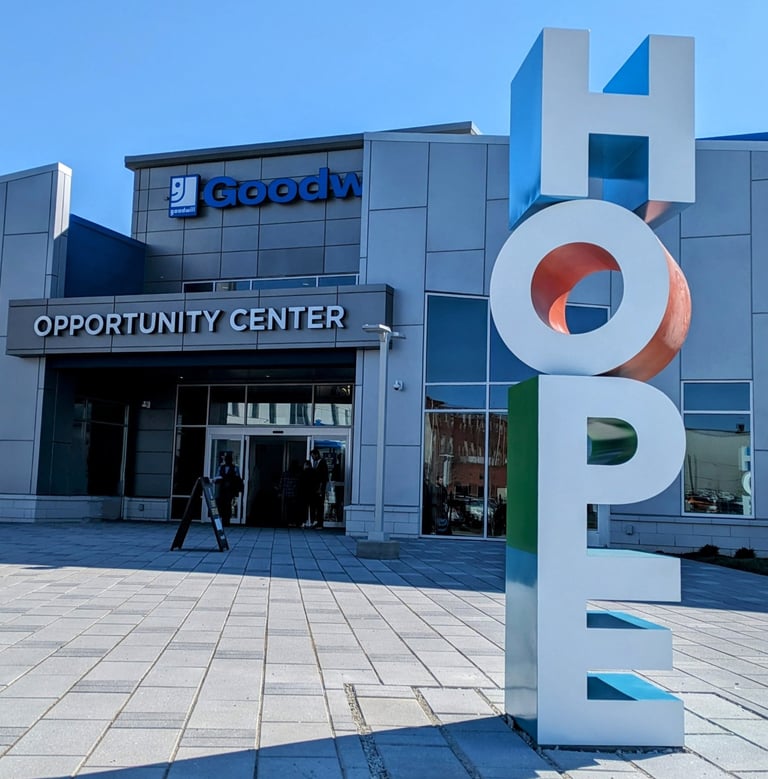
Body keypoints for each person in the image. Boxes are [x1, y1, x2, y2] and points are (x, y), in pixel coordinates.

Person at [214, 451, 243, 527]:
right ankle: (223, 520)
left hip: (230, 489)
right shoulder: (221, 467)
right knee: (223, 505)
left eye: (228, 460)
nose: (227, 461)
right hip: (222, 489)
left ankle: (227, 521)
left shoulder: (235, 468)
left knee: (228, 505)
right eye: (227, 460)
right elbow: (217, 476)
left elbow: (237, 478)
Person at [307, 447, 329, 528]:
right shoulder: (316, 464)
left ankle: (320, 523)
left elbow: (324, 477)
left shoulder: (322, 463)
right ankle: (316, 521)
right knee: (316, 505)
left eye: (313, 456)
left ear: (316, 455)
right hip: (316, 488)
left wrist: (320, 488)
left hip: (319, 488)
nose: (312, 458)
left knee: (320, 506)